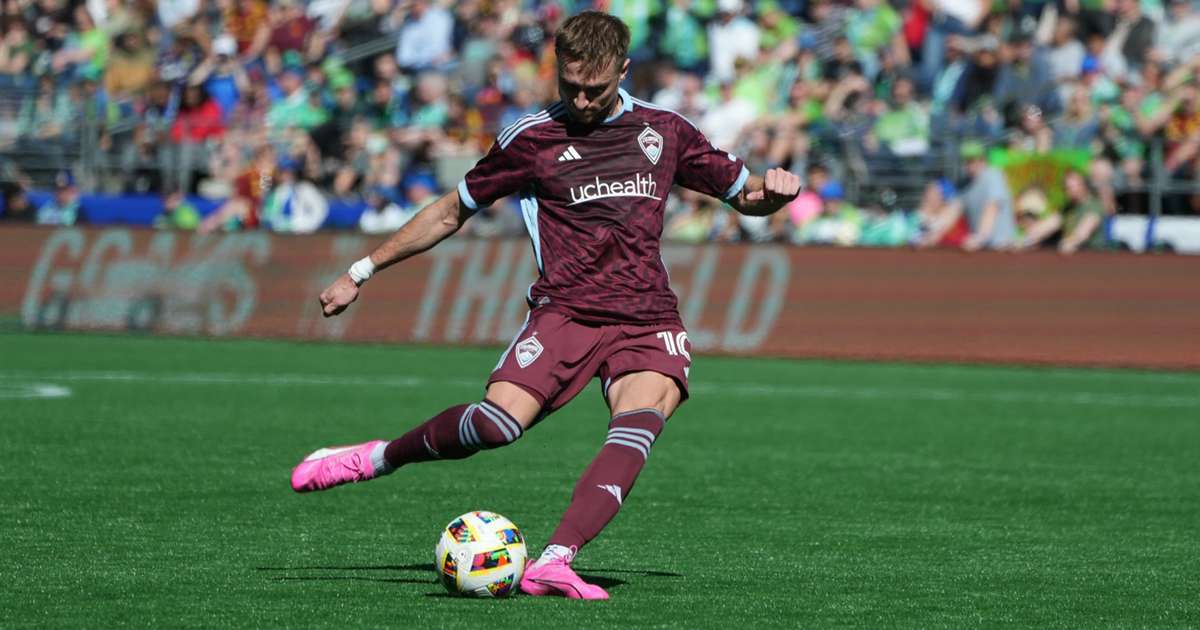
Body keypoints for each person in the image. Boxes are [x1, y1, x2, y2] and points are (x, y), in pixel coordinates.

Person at [289, 11, 801, 601]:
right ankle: (375, 457)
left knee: (644, 414)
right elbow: (450, 212)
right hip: (566, 312)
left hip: (647, 316)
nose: (582, 100)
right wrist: (362, 270)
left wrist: (776, 193)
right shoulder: (531, 139)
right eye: (570, 86)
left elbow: (747, 195)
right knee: (496, 424)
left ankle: (555, 560)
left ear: (623, 73)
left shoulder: (666, 131)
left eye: (596, 89)